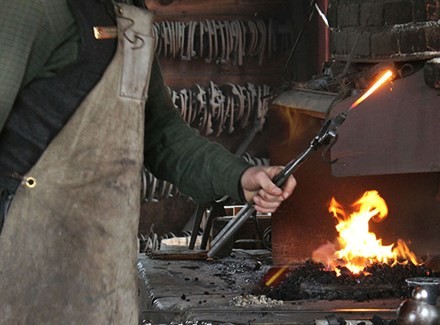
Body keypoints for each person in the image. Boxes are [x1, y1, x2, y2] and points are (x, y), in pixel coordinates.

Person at [0, 0, 296, 323]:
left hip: (101, 271)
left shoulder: (130, 20)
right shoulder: (36, 10)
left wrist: (239, 177)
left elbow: (161, 134)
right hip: (24, 262)